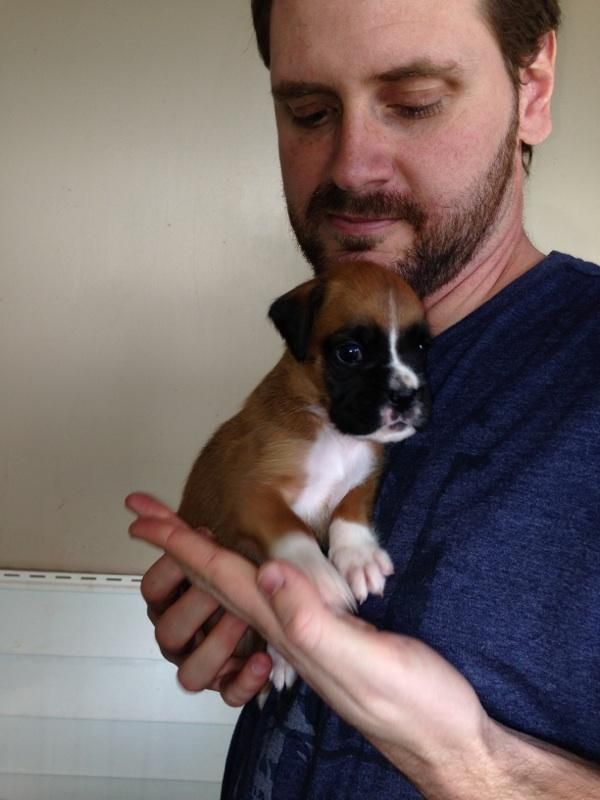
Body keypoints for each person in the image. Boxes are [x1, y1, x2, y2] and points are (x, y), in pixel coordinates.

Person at [126, 0, 600, 797]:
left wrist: (471, 761)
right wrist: (239, 620)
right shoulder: (309, 372)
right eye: (308, 111)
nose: (350, 167)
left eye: (414, 103)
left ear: (536, 88)